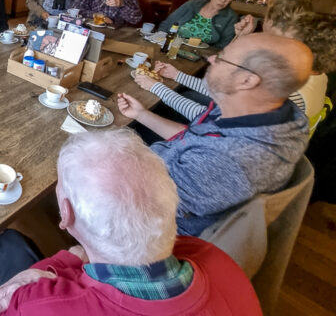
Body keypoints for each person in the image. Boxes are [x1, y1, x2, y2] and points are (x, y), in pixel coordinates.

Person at [0, 129, 262, 316]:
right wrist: (76, 256)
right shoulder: (219, 262)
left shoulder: (37, 305)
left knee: (9, 242)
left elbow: (10, 304)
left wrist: (54, 266)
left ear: (65, 213)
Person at [118, 33, 313, 236]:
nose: (211, 59)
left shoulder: (233, 159)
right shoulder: (259, 111)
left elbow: (151, 203)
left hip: (152, 222)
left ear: (247, 80)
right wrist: (141, 114)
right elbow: (192, 139)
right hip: (160, 177)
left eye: (222, 58)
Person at [136, 0, 328, 123]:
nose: (263, 24)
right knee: (184, 95)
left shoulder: (280, 82)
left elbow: (210, 120)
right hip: (223, 132)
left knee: (153, 110)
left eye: (266, 18)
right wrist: (176, 75)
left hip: (207, 145)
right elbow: (223, 87)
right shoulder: (307, 70)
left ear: (276, 24)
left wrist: (157, 88)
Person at [158, 0, 242, 49]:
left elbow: (223, 46)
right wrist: (160, 43)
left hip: (200, 56)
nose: (223, 0)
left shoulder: (231, 17)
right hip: (171, 46)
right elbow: (166, 25)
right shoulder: (192, 4)